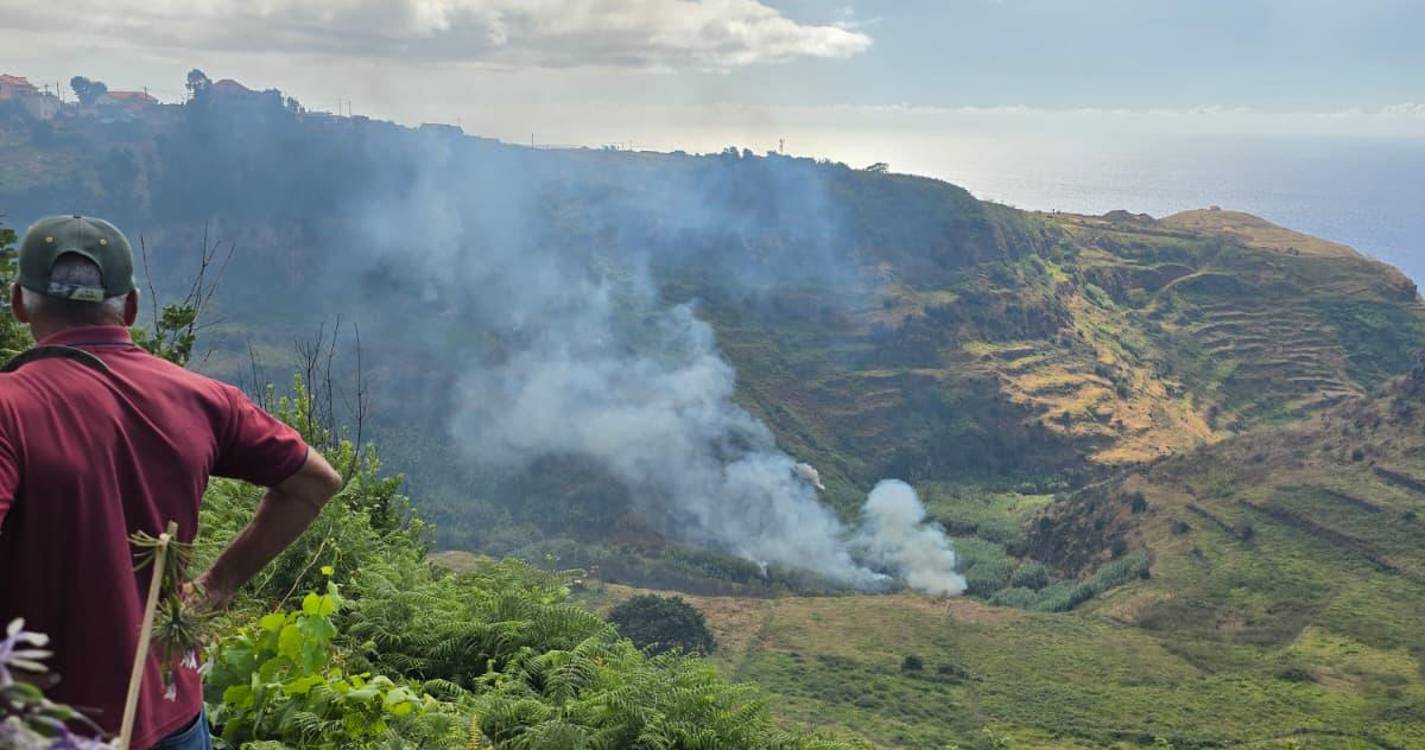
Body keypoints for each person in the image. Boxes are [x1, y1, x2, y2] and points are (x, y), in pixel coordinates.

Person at [0, 215, 343, 749]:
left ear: (19, 303)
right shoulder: (204, 399)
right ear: (131, 307)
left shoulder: (9, 408)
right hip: (171, 714)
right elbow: (315, 483)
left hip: (42, 727)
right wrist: (217, 586)